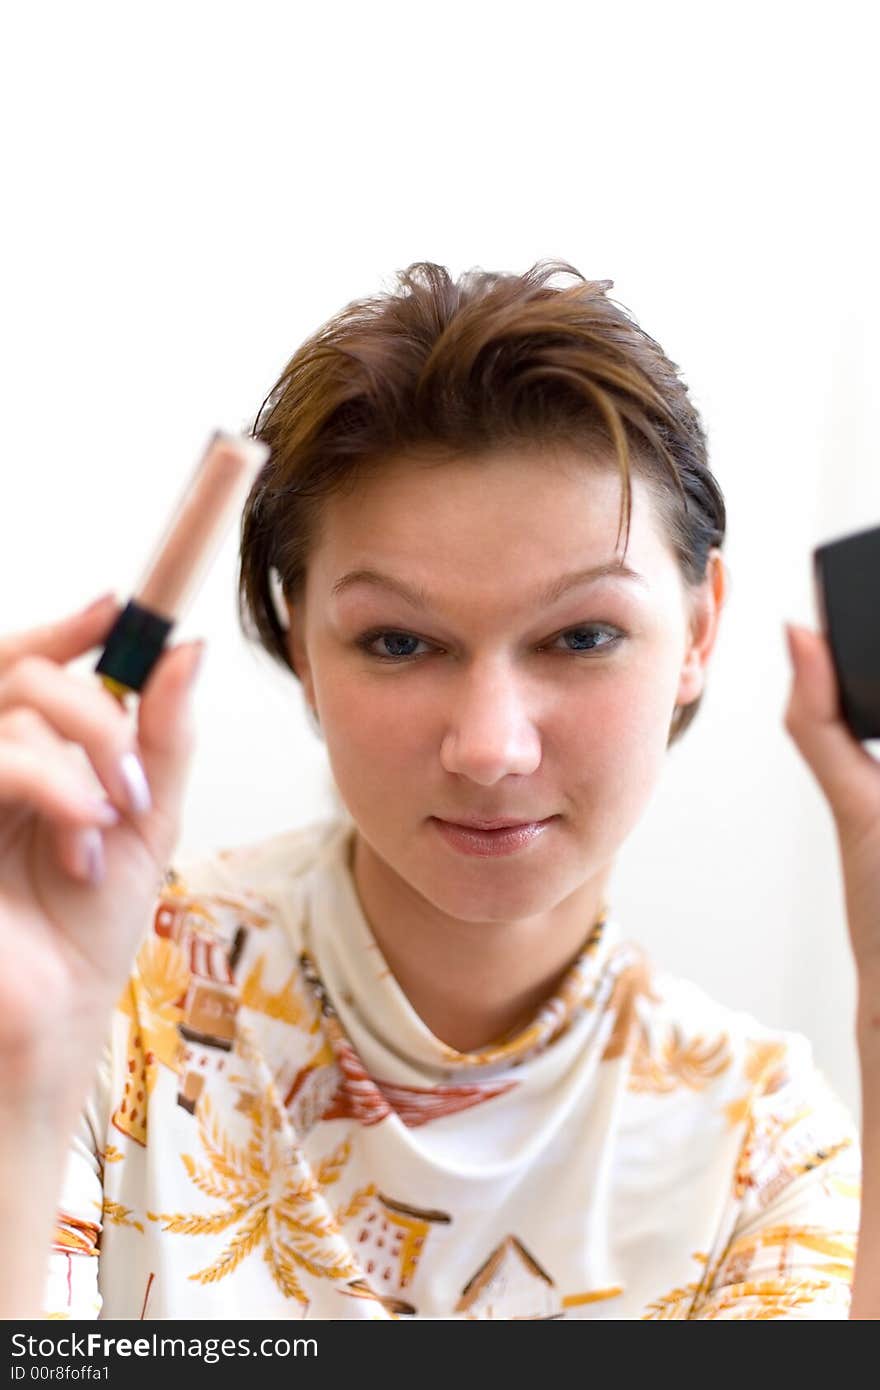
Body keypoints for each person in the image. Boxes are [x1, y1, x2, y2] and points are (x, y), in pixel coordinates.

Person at [1, 261, 877, 1321]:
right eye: (399, 640)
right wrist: (25, 1078)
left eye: (581, 635)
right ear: (298, 642)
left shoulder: (768, 1150)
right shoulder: (104, 1002)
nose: (489, 746)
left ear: (696, 631)